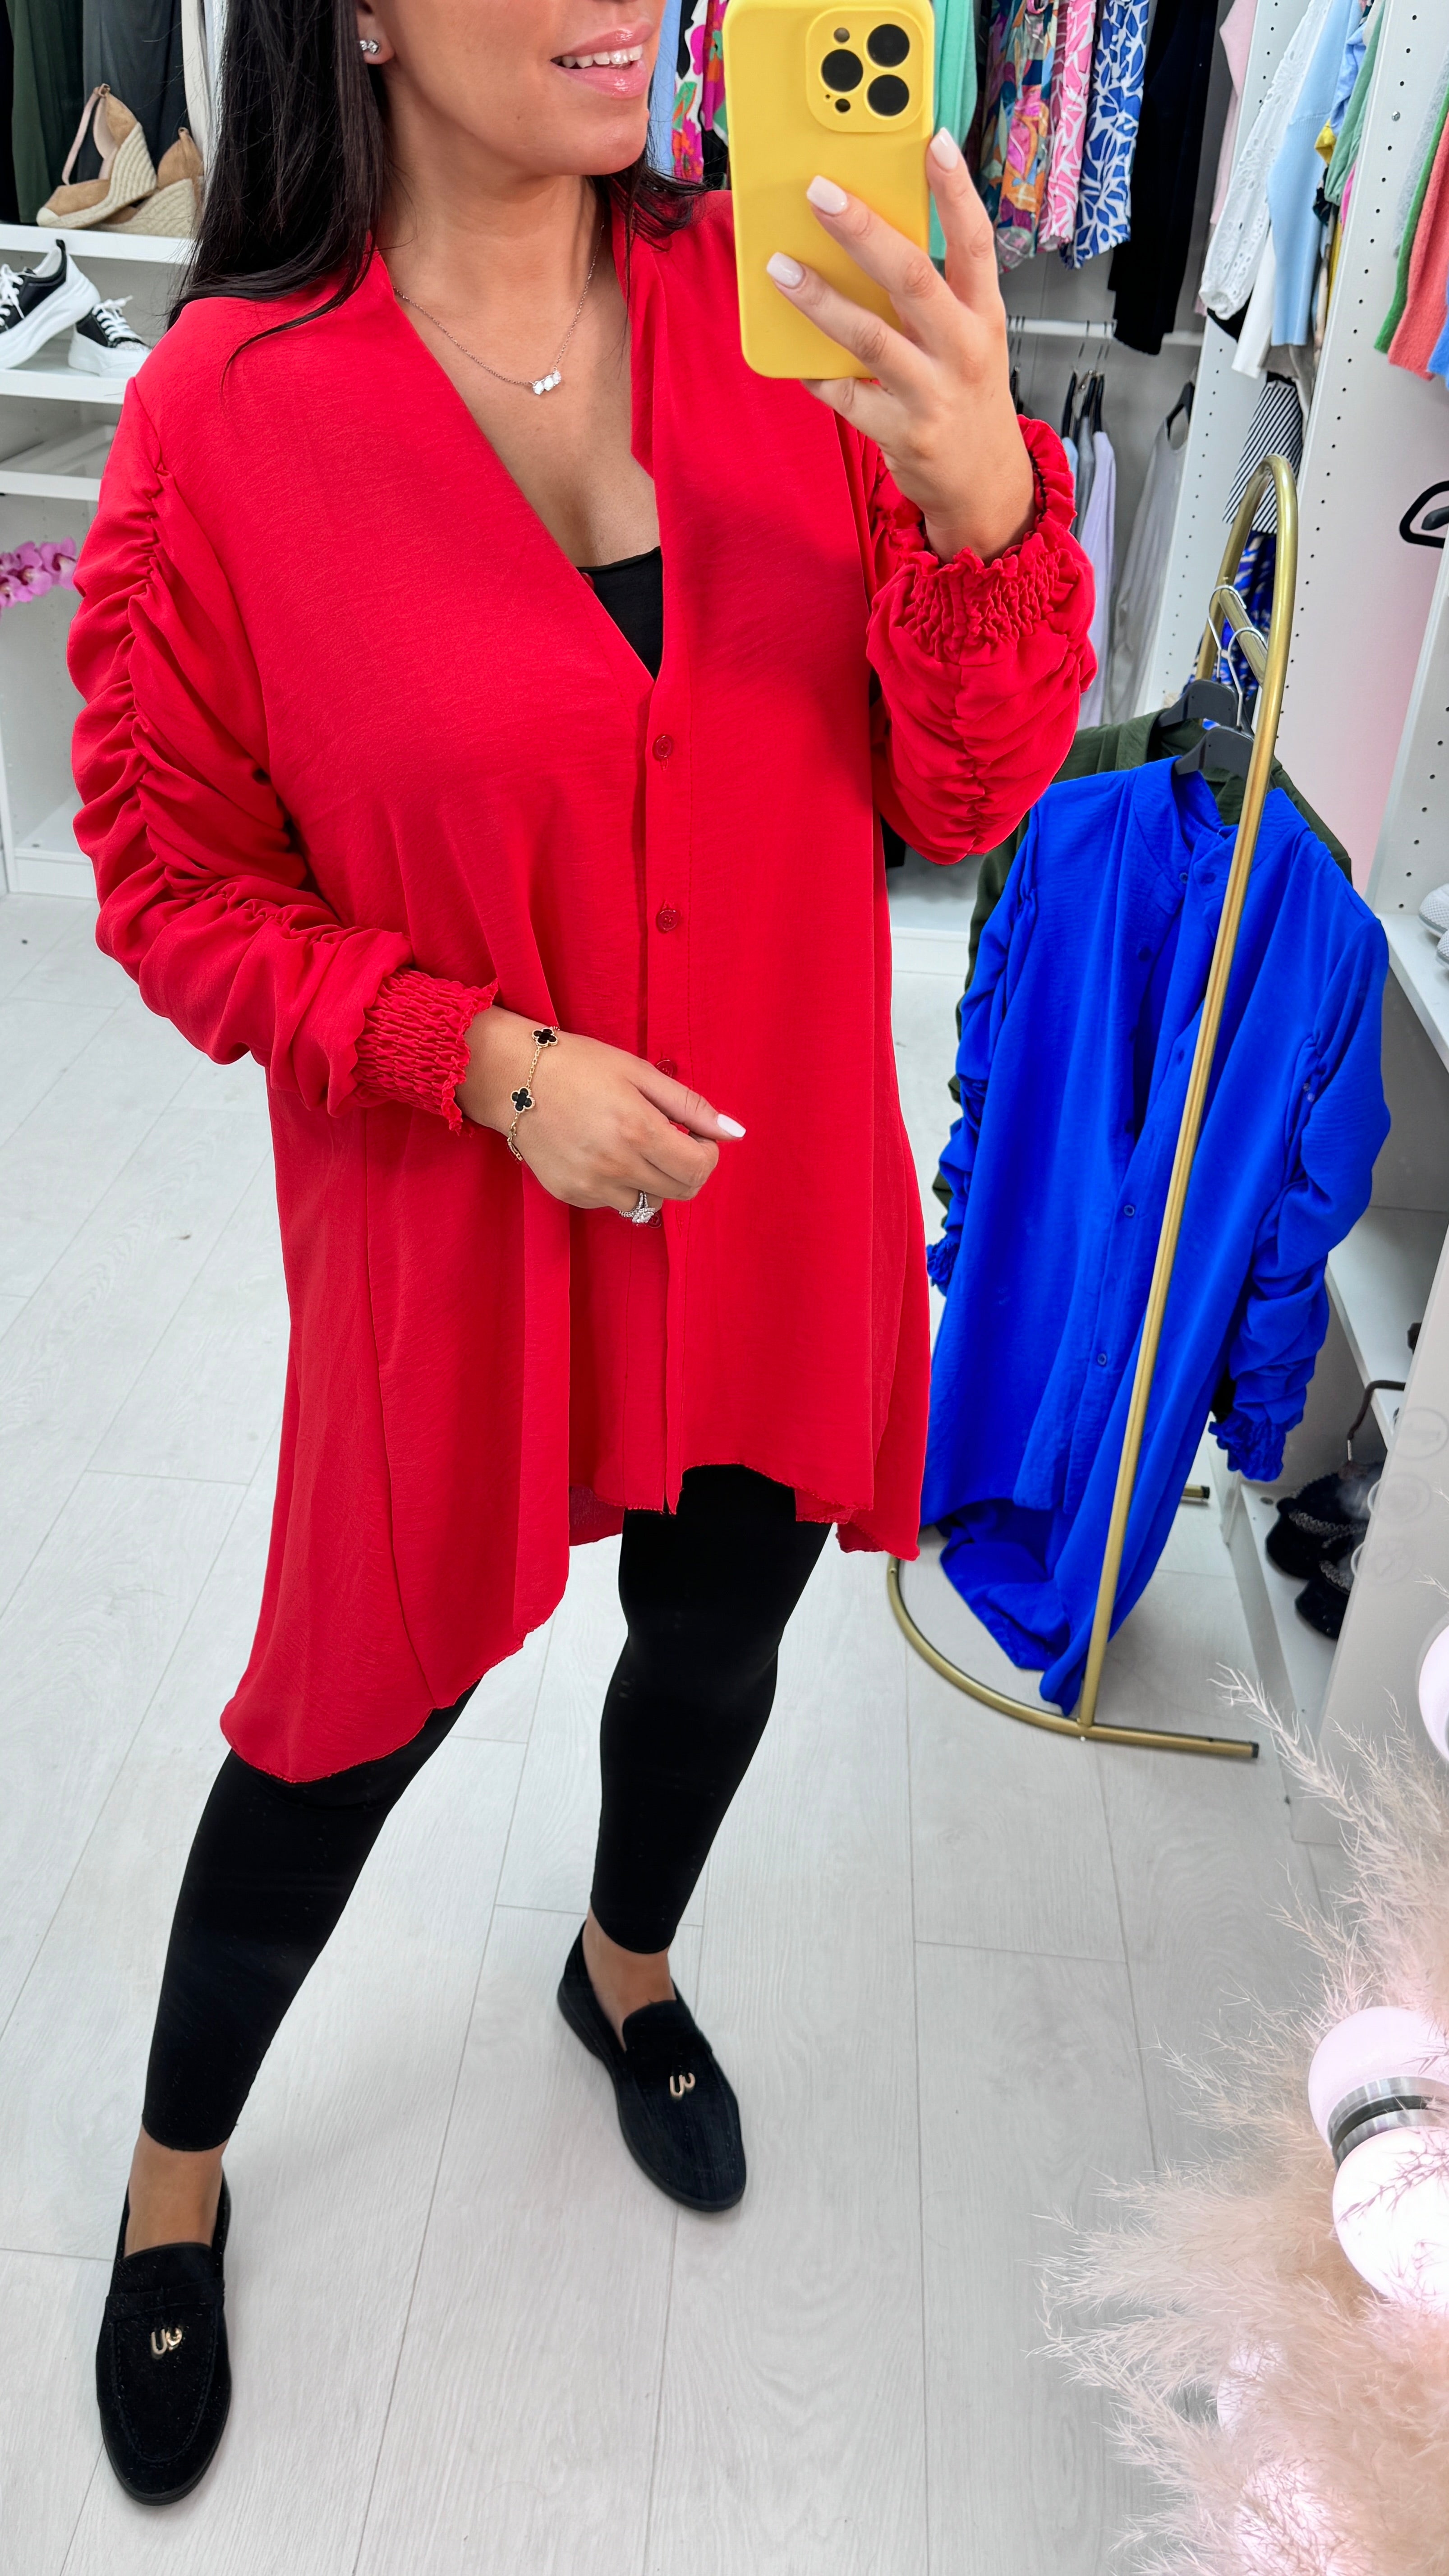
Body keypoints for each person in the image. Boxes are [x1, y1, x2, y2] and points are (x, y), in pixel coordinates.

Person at [68, 0, 1093, 2507]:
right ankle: (177, 2170)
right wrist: (483, 1061)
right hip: (458, 1241)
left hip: (773, 1202)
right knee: (336, 1723)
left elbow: (964, 793)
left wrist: (980, 502)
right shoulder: (229, 420)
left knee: (720, 1638)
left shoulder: (786, 306)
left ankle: (623, 1963)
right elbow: (174, 880)